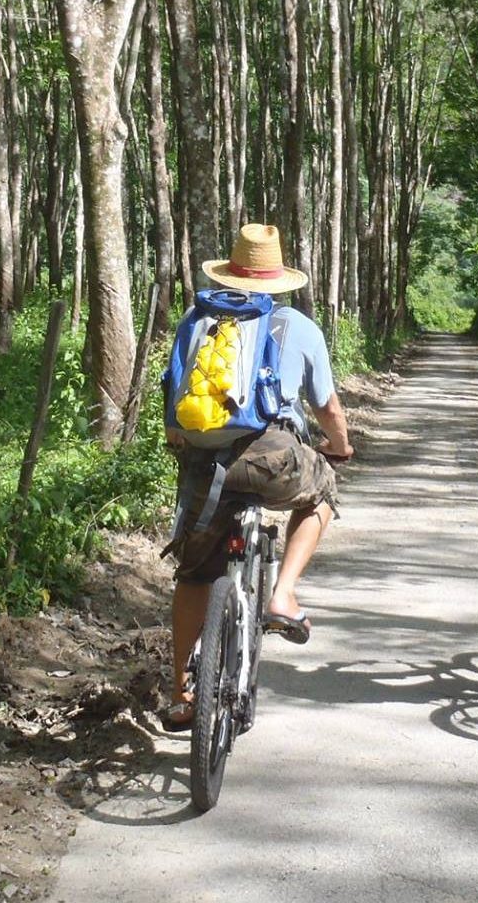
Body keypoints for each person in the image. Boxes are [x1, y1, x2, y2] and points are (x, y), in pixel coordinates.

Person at [161, 223, 354, 729]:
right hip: (274, 456)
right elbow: (328, 407)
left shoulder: (198, 319)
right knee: (322, 493)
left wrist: (180, 439)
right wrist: (339, 447)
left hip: (207, 462)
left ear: (231, 271)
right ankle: (283, 593)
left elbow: (173, 394)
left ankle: (181, 692)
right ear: (279, 280)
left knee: (194, 575)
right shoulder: (299, 327)